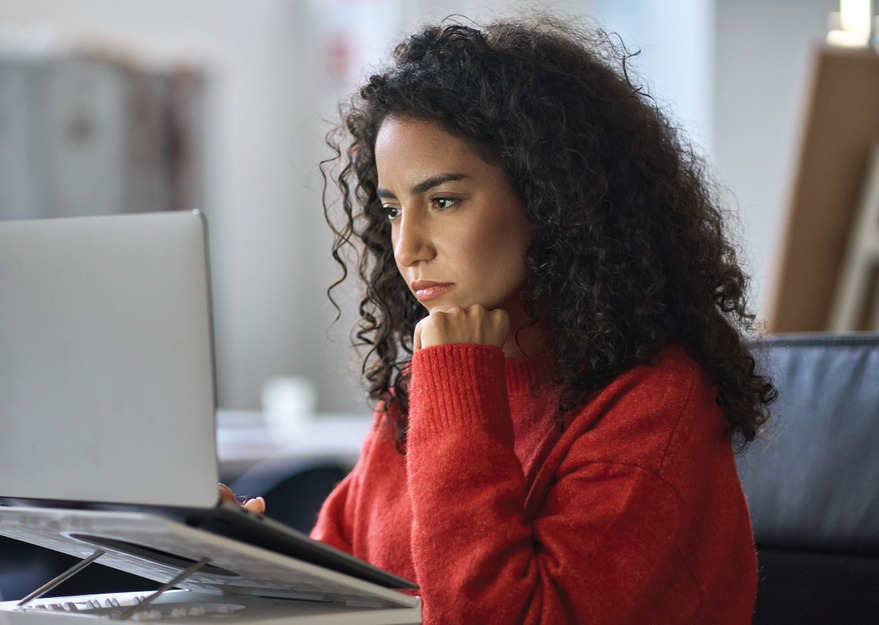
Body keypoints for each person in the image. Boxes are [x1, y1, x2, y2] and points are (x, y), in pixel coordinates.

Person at [305, 16, 777, 625]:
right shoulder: (425, 388)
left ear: (551, 199)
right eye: (393, 210)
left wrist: (456, 383)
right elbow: (334, 577)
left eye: (443, 201)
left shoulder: (655, 405)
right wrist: (235, 555)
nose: (407, 247)